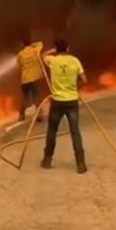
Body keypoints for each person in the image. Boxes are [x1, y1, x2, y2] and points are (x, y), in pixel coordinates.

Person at [41, 38, 88, 173]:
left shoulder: (53, 61)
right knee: (75, 132)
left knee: (52, 131)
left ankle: (47, 160)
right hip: (72, 101)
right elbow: (84, 80)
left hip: (57, 102)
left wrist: (53, 51)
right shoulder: (75, 61)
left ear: (57, 49)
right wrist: (75, 89)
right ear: (68, 48)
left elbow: (43, 56)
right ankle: (81, 164)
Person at [16, 35, 45, 123]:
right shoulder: (35, 50)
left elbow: (19, 66)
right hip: (35, 77)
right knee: (37, 96)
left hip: (25, 79)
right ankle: (39, 115)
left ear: (23, 44)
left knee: (25, 97)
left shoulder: (20, 54)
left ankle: (21, 115)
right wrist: (32, 45)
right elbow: (41, 43)